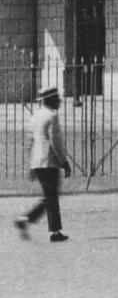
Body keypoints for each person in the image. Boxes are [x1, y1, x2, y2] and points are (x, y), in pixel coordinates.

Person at [15, 86, 71, 243]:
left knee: (50, 196)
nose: (60, 101)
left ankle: (32, 222)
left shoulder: (36, 116)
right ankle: (49, 229)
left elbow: (30, 142)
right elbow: (56, 142)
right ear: (50, 100)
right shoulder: (52, 116)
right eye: (57, 98)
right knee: (51, 196)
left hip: (37, 162)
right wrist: (64, 162)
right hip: (49, 162)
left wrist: (31, 165)